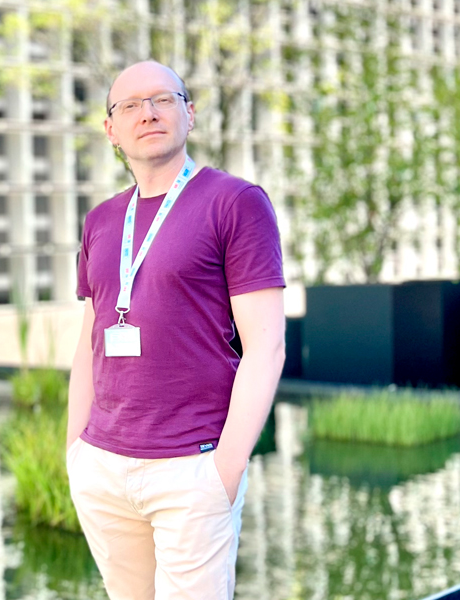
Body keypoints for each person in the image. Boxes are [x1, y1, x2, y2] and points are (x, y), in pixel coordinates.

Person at [66, 60, 287, 599]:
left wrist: (224, 472)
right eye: (130, 105)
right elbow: (90, 339)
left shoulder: (235, 202)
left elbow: (267, 346)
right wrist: (75, 451)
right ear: (111, 130)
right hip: (104, 467)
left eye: (163, 99)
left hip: (192, 469)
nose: (148, 113)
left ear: (189, 113)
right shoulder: (100, 220)